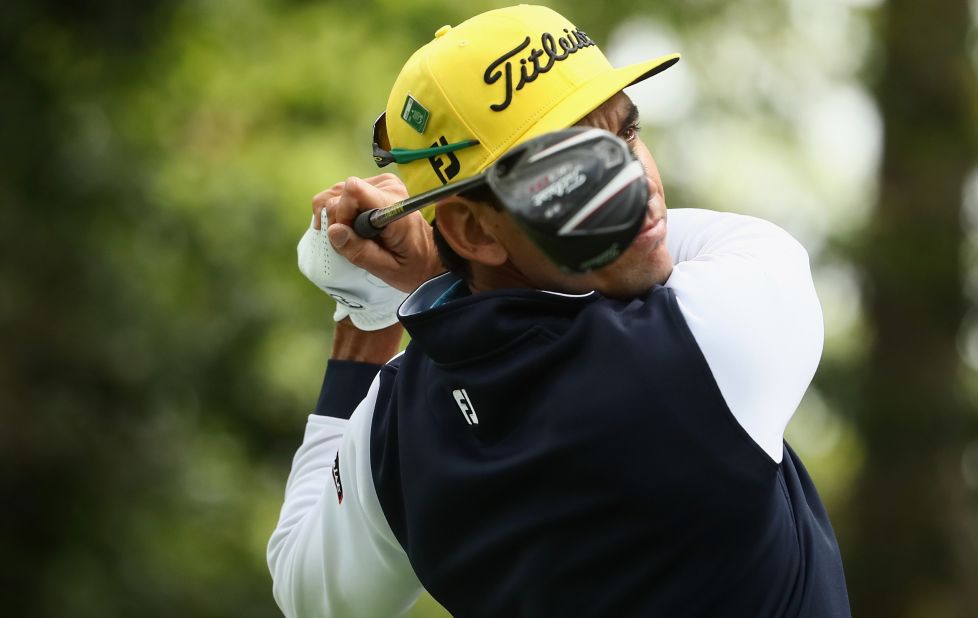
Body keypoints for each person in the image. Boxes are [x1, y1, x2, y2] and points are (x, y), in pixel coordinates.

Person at [267, 5, 851, 617]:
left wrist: (365, 317)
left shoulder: (391, 433)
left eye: (627, 132)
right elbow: (722, 246)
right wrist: (435, 268)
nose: (637, 182)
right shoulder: (710, 343)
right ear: (474, 229)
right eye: (573, 169)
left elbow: (305, 593)